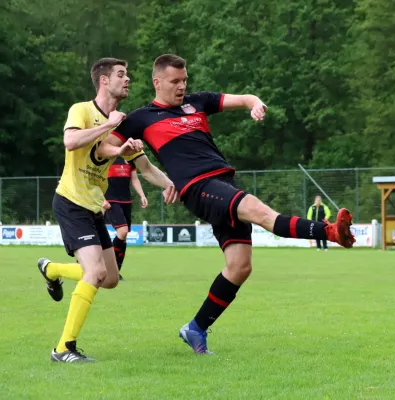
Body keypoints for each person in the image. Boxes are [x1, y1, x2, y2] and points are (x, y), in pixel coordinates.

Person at [97, 54, 355, 355]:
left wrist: (255, 104)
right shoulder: (141, 118)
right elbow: (103, 145)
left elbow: (245, 98)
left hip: (223, 185)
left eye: (184, 80)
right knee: (262, 213)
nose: (182, 86)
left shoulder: (198, 102)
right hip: (198, 188)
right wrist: (124, 147)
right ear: (157, 82)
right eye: (174, 81)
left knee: (240, 267)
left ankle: (195, 328)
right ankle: (331, 232)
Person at [36, 58, 177, 363]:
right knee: (95, 272)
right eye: (121, 75)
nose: (127, 80)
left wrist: (174, 184)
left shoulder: (122, 126)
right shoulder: (82, 110)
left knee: (109, 278)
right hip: (71, 202)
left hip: (93, 207)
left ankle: (52, 270)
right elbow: (71, 141)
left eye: (127, 75)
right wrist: (112, 127)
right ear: (103, 80)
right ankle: (63, 348)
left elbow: (146, 167)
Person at [104, 157, 148, 280]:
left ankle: (116, 272)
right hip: (111, 200)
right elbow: (98, 179)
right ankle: (108, 266)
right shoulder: (107, 157)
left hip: (126, 201)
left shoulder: (129, 158)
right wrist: (101, 198)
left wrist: (142, 195)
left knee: (123, 237)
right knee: (122, 232)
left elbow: (134, 179)